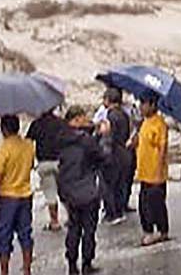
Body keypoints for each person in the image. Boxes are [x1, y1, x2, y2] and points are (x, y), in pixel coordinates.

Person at [57, 105, 113, 275]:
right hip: (88, 191)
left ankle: (72, 264)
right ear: (76, 119)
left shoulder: (60, 139)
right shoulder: (86, 141)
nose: (87, 120)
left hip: (69, 191)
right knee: (89, 230)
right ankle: (87, 263)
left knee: (73, 228)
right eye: (83, 117)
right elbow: (103, 157)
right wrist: (105, 137)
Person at [0, 114, 36, 275]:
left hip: (7, 198)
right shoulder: (29, 146)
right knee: (25, 234)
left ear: (4, 129)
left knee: (4, 237)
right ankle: (27, 270)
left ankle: (4, 272)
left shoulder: (3, 149)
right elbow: (31, 166)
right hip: (25, 195)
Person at [135, 92, 169, 246]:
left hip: (155, 174)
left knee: (156, 204)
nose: (141, 107)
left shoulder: (159, 124)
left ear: (153, 105)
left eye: (144, 104)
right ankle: (148, 231)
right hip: (144, 173)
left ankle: (162, 231)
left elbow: (162, 148)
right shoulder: (145, 122)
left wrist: (159, 169)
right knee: (143, 205)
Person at [26, 108, 66, 232]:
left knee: (50, 194)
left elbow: (28, 144)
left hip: (44, 163)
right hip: (61, 162)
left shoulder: (36, 124)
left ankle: (54, 222)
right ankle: (72, 217)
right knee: (66, 192)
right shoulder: (61, 123)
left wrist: (30, 163)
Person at [99, 87, 129, 225]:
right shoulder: (124, 114)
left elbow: (108, 137)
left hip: (112, 154)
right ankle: (120, 210)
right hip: (123, 152)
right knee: (120, 184)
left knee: (108, 185)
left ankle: (111, 213)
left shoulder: (110, 116)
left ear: (108, 100)